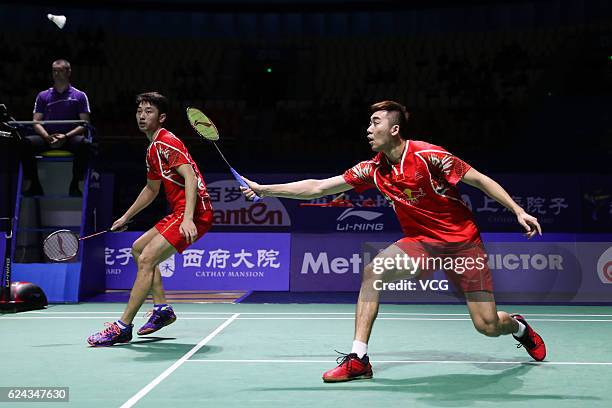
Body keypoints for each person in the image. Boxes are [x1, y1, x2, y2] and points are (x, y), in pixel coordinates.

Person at [241, 100, 546, 382]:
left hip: (462, 243)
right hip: (422, 243)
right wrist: (266, 189)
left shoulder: (429, 156)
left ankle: (518, 326)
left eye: (375, 123)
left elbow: (479, 178)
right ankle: (359, 359)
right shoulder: (373, 169)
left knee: (488, 326)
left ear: (394, 129)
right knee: (374, 271)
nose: (369, 129)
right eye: (369, 123)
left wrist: (517, 210)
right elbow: (320, 187)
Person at [87, 92, 214, 347]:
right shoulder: (152, 149)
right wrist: (125, 217)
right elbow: (151, 190)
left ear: (162, 117)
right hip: (180, 212)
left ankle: (122, 327)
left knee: (146, 258)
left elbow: (189, 176)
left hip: (195, 213)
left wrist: (188, 218)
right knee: (138, 249)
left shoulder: (166, 142)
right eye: (139, 111)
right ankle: (162, 310)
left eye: (149, 111)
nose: (142, 116)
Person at [22, 59, 92, 196]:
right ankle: (34, 184)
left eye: (60, 70)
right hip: (48, 138)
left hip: (69, 138)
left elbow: (85, 123)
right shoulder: (43, 96)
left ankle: (75, 184)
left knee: (84, 144)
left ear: (69, 72)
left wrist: (65, 136)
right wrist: (47, 137)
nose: (56, 73)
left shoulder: (79, 96)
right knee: (26, 143)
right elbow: (36, 121)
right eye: (54, 70)